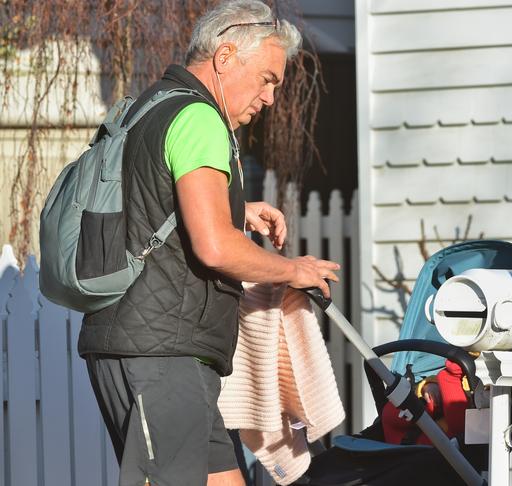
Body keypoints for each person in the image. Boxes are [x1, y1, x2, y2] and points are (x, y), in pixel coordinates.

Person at [77, 2, 339, 485]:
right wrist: (293, 271)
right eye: (266, 78)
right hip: (160, 360)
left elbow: (148, 200)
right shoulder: (199, 118)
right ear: (224, 57)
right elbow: (215, 248)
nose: (270, 98)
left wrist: (234, 209)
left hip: (163, 355)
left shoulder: (153, 104)